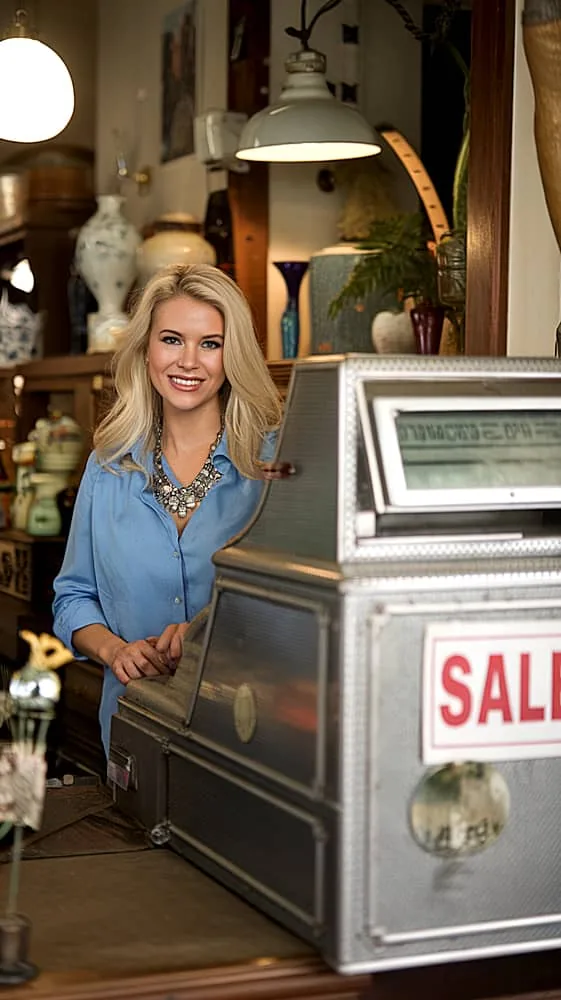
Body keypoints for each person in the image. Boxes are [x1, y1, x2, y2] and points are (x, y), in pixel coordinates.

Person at [53, 263, 282, 756]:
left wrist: (207, 634)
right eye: (173, 339)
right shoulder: (107, 467)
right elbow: (72, 597)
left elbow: (304, 613)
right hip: (132, 729)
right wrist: (116, 650)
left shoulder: (274, 466)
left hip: (247, 734)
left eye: (211, 343)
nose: (189, 362)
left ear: (232, 354)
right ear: (146, 349)